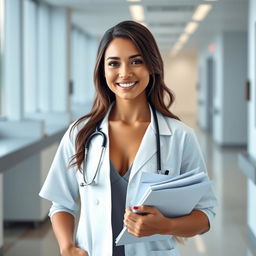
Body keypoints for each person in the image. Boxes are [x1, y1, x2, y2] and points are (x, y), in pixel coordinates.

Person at [39, 20, 217, 256]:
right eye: (114, 63)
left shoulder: (179, 136)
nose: (125, 73)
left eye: (136, 61)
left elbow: (205, 215)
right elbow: (61, 203)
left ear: (151, 66)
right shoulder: (80, 133)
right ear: (103, 70)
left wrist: (167, 226)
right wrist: (67, 247)